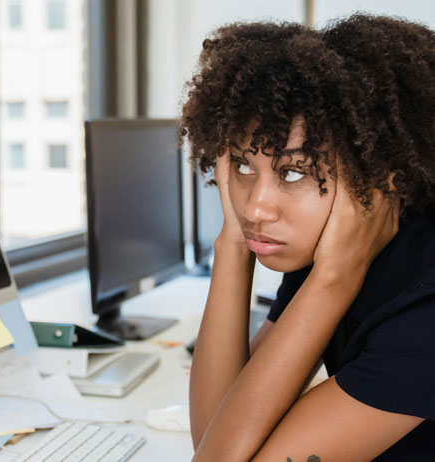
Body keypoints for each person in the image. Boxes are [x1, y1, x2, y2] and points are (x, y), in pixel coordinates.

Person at [180, 14, 435, 461]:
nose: (255, 208)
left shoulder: (424, 307)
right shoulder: (327, 248)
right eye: (242, 166)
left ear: (379, 174)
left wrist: (336, 277)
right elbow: (214, 433)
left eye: (293, 172)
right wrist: (232, 245)